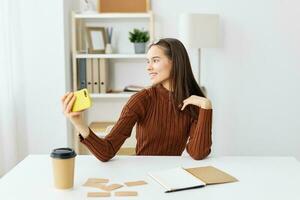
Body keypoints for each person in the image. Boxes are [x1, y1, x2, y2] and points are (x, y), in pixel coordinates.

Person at [61, 38, 212, 162]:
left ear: (175, 62)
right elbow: (106, 152)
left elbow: (197, 153)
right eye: (148, 61)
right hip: (142, 174)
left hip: (172, 177)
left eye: (155, 60)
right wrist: (78, 122)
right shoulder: (142, 99)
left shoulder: (193, 102)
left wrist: (206, 106)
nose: (148, 67)